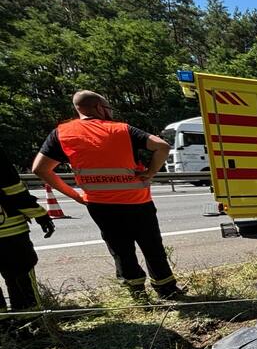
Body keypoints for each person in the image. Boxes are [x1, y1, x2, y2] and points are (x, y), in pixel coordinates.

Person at [31, 90, 184, 301]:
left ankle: (137, 294)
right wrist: (150, 172)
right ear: (99, 107)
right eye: (108, 108)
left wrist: (75, 196)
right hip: (137, 201)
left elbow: (40, 169)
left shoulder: (62, 133)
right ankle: (168, 291)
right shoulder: (121, 129)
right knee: (152, 246)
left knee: (121, 250)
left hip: (100, 205)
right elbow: (162, 146)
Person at [0, 147, 55, 323]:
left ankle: (4, 327)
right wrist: (39, 214)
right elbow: (14, 190)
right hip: (8, 231)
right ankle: (30, 324)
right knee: (20, 275)